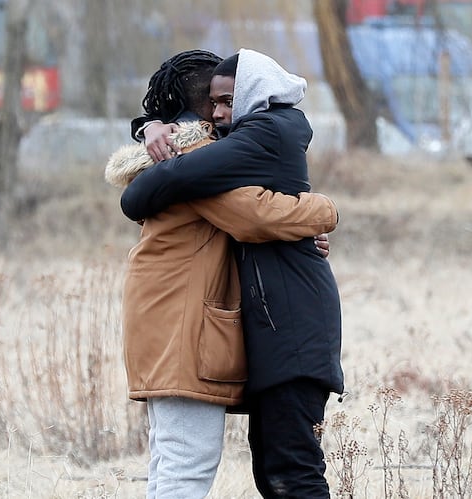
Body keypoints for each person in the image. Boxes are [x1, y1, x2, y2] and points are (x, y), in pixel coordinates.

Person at [112, 49, 340, 499]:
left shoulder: (176, 152)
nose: (223, 112)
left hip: (168, 319)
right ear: (204, 106)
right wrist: (324, 211)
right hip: (182, 325)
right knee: (186, 463)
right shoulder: (196, 157)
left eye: (229, 99)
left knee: (170, 458)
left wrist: (149, 126)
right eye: (217, 101)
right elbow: (254, 216)